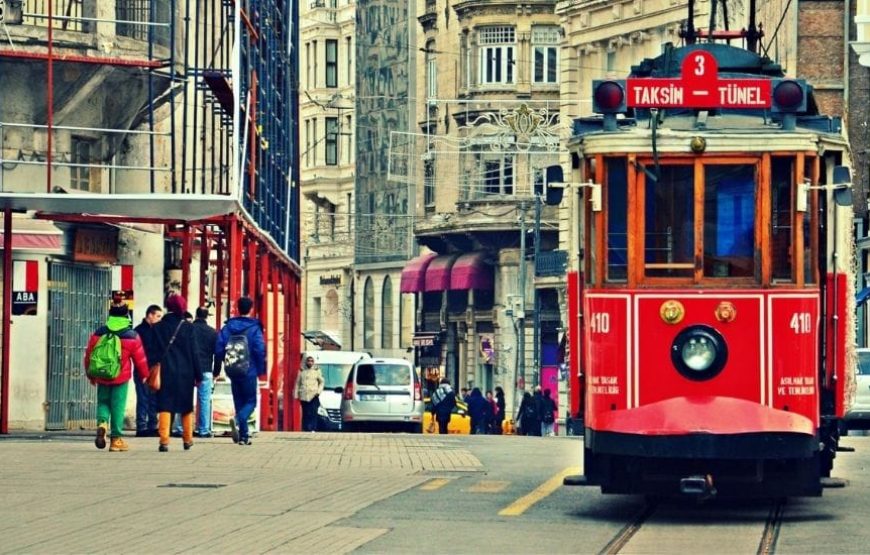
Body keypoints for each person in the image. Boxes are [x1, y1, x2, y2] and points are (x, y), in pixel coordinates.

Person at [83, 304, 149, 452]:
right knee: (117, 407)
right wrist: (145, 375)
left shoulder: (99, 333)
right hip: (121, 377)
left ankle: (102, 424)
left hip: (101, 374)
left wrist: (90, 373)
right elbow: (140, 359)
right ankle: (116, 440)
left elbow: (89, 355)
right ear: (126, 315)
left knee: (103, 402)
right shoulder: (131, 335)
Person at [152, 294, 204, 452]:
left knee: (165, 405)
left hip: (165, 372)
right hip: (185, 373)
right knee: (186, 406)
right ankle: (187, 440)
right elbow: (195, 352)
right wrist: (199, 375)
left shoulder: (158, 327)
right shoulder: (188, 327)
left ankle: (164, 441)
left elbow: (153, 351)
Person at [215, 296, 266, 445]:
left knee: (239, 401)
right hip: (249, 370)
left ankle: (244, 437)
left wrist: (224, 363)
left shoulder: (227, 327)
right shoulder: (254, 328)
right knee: (250, 402)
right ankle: (238, 420)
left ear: (238, 308)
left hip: (233, 369)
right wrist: (260, 368)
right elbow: (259, 349)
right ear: (250, 309)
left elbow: (218, 348)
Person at [133, 304, 162, 437]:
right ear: (149, 315)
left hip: (154, 369)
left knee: (153, 398)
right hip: (141, 369)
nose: (159, 319)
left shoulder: (157, 330)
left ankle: (152, 425)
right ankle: (141, 426)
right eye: (158, 316)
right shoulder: (139, 331)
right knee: (143, 398)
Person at [192, 306, 219, 438]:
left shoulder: (189, 330)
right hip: (206, 369)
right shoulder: (212, 332)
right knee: (204, 400)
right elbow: (218, 354)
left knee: (184, 398)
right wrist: (216, 371)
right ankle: (203, 430)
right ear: (207, 316)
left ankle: (180, 428)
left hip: (189, 369)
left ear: (196, 315)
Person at [295, 355, 325, 432]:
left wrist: (318, 392)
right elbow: (297, 383)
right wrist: (296, 394)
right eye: (308, 361)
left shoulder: (316, 371)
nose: (310, 362)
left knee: (313, 412)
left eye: (312, 361)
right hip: (304, 395)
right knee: (305, 413)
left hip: (313, 395)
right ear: (306, 362)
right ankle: (306, 428)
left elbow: (322, 382)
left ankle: (313, 428)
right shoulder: (302, 371)